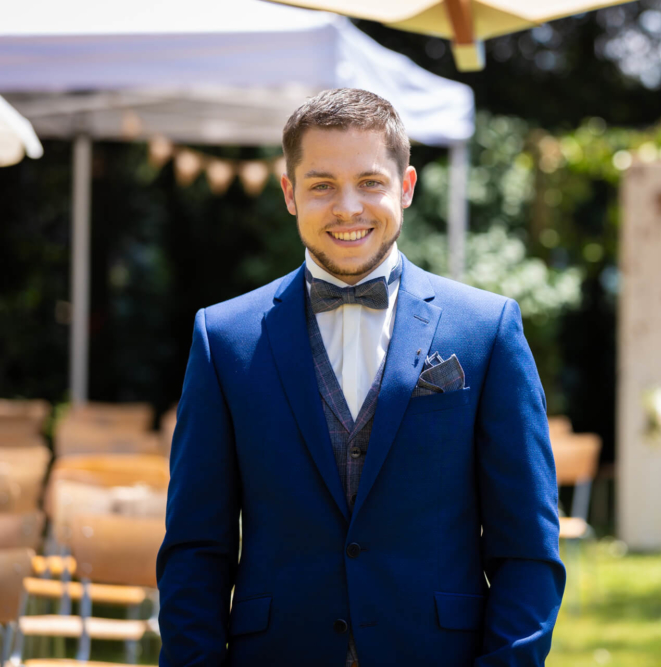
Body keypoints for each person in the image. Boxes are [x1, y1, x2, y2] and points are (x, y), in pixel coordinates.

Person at [156, 89, 565, 666]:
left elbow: (527, 548)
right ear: (290, 194)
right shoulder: (223, 338)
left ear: (406, 188)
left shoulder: (486, 329)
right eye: (321, 184)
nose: (348, 206)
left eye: (370, 182)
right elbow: (196, 550)